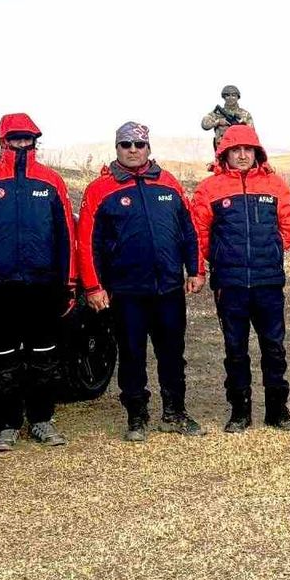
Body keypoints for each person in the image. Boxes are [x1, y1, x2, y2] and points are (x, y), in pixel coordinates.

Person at [77, 122, 205, 442]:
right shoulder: (99, 190)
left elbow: (189, 230)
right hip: (126, 291)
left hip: (169, 288)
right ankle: (137, 415)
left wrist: (196, 269)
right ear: (117, 148)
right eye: (126, 144)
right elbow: (87, 243)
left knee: (172, 353)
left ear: (148, 148)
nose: (132, 150)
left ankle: (174, 412)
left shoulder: (169, 183)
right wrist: (93, 287)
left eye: (139, 144)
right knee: (132, 353)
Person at [0, 113, 76, 452]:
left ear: (35, 140)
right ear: (3, 140)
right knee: (3, 360)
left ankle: (42, 419)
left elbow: (66, 235)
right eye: (16, 138)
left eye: (28, 137)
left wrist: (69, 283)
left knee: (44, 357)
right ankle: (6, 425)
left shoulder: (51, 181)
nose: (22, 143)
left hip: (43, 286)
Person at [191, 124, 290, 433]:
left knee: (274, 347)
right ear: (224, 154)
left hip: (268, 281)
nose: (241, 155)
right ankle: (240, 411)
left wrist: (272, 248)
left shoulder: (275, 184)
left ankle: (277, 410)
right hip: (230, 283)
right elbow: (199, 232)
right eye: (235, 150)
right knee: (235, 349)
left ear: (256, 153)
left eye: (247, 150)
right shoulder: (209, 188)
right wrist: (218, 257)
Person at [200, 84, 254, 150]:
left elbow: (252, 134)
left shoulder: (245, 114)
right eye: (227, 95)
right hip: (222, 147)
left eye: (233, 95)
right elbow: (204, 125)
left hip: (238, 148)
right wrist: (218, 122)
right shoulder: (217, 113)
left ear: (238, 97)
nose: (230, 98)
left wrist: (243, 125)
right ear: (224, 97)